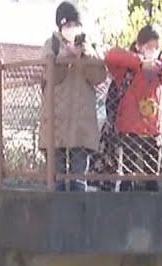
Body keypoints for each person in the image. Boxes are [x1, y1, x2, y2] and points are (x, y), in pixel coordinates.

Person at [104, 24, 162, 191]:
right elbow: (111, 55)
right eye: (148, 47)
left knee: (152, 180)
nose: (153, 51)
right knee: (127, 179)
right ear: (139, 46)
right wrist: (140, 62)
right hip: (130, 130)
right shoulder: (127, 69)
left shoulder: (160, 69)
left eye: (157, 48)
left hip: (153, 131)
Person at [41, 2, 108, 191]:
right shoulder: (51, 45)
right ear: (60, 26)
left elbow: (99, 77)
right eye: (68, 25)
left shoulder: (90, 45)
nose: (72, 29)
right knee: (57, 181)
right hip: (56, 120)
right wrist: (62, 58)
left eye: (75, 25)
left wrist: (83, 56)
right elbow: (51, 77)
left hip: (82, 122)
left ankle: (80, 216)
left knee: (79, 182)